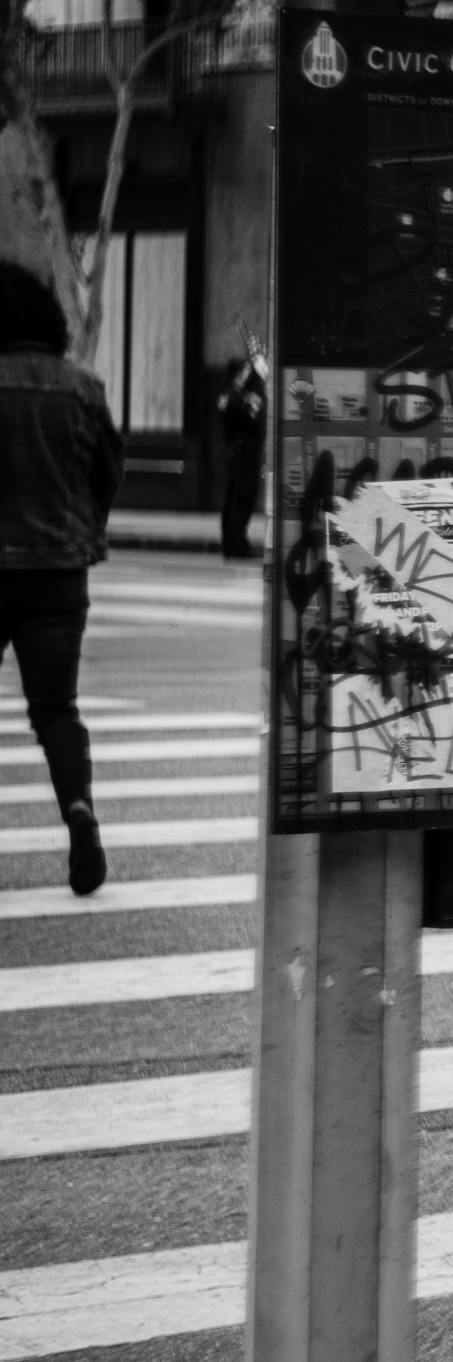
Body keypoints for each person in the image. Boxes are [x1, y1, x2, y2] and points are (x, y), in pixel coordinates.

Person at [0, 260, 121, 896]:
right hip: (58, 578)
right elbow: (106, 474)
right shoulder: (83, 389)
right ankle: (79, 814)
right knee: (55, 710)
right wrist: (81, 532)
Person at [216, 347, 267, 564]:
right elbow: (253, 419)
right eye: (245, 371)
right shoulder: (237, 397)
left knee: (234, 498)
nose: (248, 374)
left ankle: (232, 542)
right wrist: (260, 379)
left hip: (236, 451)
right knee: (241, 499)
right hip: (243, 452)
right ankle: (237, 543)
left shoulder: (228, 395)